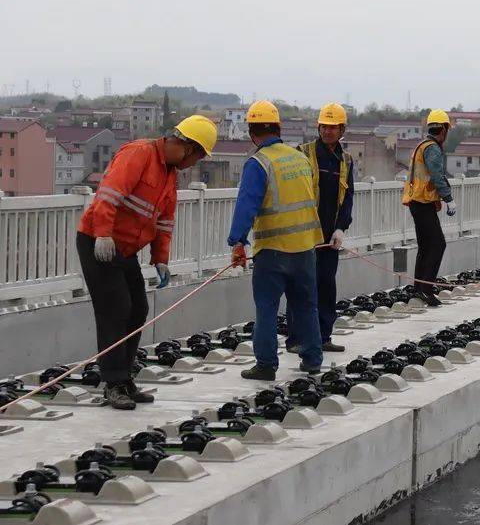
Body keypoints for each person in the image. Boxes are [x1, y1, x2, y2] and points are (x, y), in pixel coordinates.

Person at [77, 115, 215, 409]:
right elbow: (108, 195)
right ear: (185, 147)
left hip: (124, 249)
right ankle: (113, 383)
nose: (194, 165)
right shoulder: (139, 154)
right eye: (197, 157)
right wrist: (102, 234)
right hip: (98, 242)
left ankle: (124, 378)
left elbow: (164, 220)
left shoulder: (169, 173)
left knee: (138, 308)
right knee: (116, 309)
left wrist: (160, 259)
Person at [228, 101, 324, 381]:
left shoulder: (259, 163)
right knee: (306, 304)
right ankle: (312, 358)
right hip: (305, 246)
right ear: (279, 128)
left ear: (251, 133)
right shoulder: (300, 158)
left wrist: (237, 242)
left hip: (273, 251)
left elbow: (246, 205)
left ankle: (266, 365)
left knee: (267, 308)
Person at [284, 103, 355, 354]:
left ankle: (323, 336)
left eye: (333, 127)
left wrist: (341, 228)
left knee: (326, 285)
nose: (327, 131)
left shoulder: (345, 160)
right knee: (300, 286)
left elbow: (347, 198)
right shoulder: (303, 153)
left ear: (342, 129)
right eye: (324, 126)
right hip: (305, 234)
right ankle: (296, 339)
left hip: (329, 236)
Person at [401, 109, 456, 307]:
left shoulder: (421, 145)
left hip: (417, 202)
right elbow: (436, 175)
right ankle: (425, 289)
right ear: (444, 130)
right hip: (422, 203)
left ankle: (419, 288)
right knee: (438, 244)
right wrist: (448, 198)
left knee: (425, 246)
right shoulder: (432, 148)